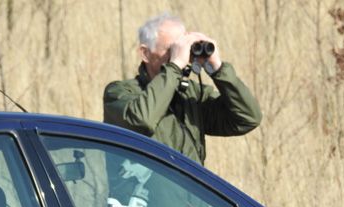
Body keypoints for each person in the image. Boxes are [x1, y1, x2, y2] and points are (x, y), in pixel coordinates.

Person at [103, 13, 262, 165]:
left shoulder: (191, 95)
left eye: (184, 47)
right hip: (141, 193)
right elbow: (141, 120)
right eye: (171, 49)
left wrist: (218, 69)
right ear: (145, 53)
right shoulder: (119, 92)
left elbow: (247, 118)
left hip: (189, 192)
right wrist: (175, 66)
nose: (181, 54)